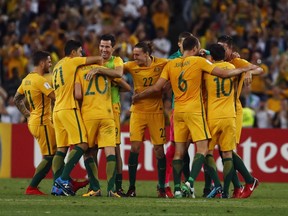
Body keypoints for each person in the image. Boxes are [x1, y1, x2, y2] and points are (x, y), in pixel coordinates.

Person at [133, 35, 257, 198]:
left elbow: (158, 88)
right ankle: (194, 183)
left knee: (179, 151)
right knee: (206, 149)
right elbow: (223, 73)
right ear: (194, 49)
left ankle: (177, 188)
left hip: (178, 112)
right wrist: (245, 69)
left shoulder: (171, 64)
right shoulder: (200, 62)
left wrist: (140, 95)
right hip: (198, 111)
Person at [51, 40, 103, 196]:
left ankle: (56, 187)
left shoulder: (57, 66)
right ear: (73, 52)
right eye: (81, 51)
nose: (82, 54)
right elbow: (98, 59)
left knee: (61, 149)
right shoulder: (72, 61)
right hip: (68, 108)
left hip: (57, 110)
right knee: (83, 143)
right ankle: (63, 179)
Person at [217, 35, 261, 198]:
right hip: (217, 111)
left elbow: (260, 68)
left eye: (224, 48)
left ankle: (248, 181)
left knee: (226, 150)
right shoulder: (213, 59)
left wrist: (249, 70)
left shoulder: (238, 62)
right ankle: (239, 186)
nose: (221, 50)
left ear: (231, 49)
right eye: (219, 46)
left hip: (233, 110)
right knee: (223, 151)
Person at [74, 55, 123, 197]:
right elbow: (123, 84)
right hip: (107, 115)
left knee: (88, 152)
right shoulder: (105, 70)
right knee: (110, 152)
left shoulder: (80, 71)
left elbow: (78, 95)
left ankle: (95, 188)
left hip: (89, 115)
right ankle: (111, 189)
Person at [124, 41, 168, 198]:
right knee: (134, 148)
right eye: (133, 54)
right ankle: (131, 188)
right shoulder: (130, 66)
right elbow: (115, 70)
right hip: (138, 112)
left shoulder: (162, 63)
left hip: (156, 112)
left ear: (146, 54)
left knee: (159, 150)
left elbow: (179, 63)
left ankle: (161, 187)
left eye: (137, 55)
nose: (134, 57)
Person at [13, 50, 56, 195]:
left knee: (56, 152)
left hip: (35, 121)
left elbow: (16, 99)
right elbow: (55, 96)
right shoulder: (40, 80)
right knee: (50, 156)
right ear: (42, 63)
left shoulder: (27, 79)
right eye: (49, 62)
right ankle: (32, 187)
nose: (50, 64)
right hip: (42, 122)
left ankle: (62, 183)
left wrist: (27, 115)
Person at [202, 44, 238, 198]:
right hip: (229, 115)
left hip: (213, 116)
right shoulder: (231, 67)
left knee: (207, 152)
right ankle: (226, 192)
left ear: (211, 56)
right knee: (228, 154)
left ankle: (217, 185)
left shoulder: (207, 70)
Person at [98, 34, 131, 197]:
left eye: (107, 47)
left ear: (113, 48)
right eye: (101, 46)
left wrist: (101, 72)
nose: (104, 49)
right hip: (94, 109)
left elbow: (118, 75)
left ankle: (117, 187)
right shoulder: (94, 61)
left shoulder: (116, 61)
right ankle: (94, 186)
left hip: (112, 109)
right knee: (90, 148)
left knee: (115, 148)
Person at [164, 31, 193, 198]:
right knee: (179, 148)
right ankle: (169, 184)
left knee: (200, 149)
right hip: (179, 108)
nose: (185, 46)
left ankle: (204, 186)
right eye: (183, 43)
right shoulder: (173, 60)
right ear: (178, 44)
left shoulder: (197, 57)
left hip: (196, 109)